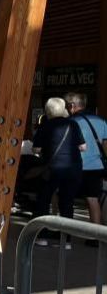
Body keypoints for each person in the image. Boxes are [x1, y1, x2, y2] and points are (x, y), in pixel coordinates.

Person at [33, 97, 86, 246]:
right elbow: (83, 147)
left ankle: (41, 237)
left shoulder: (45, 126)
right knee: (67, 203)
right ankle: (65, 240)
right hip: (73, 169)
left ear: (47, 110)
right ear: (63, 109)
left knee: (43, 200)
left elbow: (36, 149)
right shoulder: (73, 124)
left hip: (52, 169)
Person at [65, 92, 107, 226]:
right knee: (93, 200)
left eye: (67, 106)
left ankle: (67, 233)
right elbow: (105, 146)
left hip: (78, 166)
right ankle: (97, 235)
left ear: (72, 106)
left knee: (67, 199)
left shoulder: (72, 122)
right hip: (97, 166)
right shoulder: (101, 121)